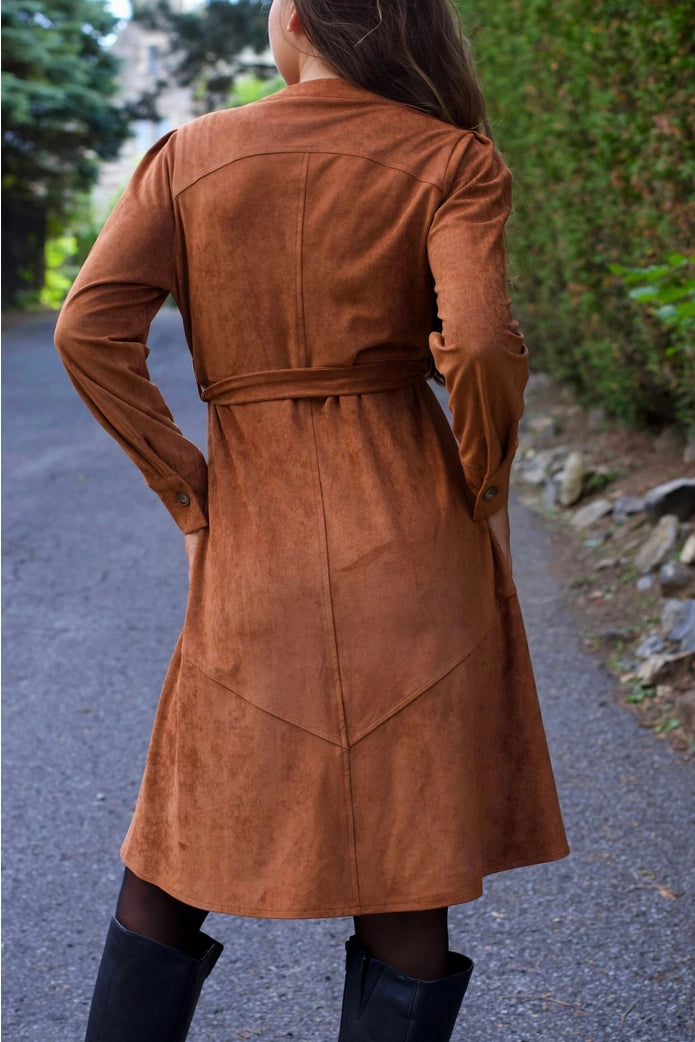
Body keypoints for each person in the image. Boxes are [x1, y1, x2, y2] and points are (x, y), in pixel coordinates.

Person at [55, 0, 569, 1038]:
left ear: (294, 19)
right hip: (412, 534)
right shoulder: (452, 160)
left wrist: (187, 488)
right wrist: (479, 485)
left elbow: (87, 331)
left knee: (177, 839)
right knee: (405, 853)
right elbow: (476, 344)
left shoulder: (188, 155)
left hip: (254, 536)